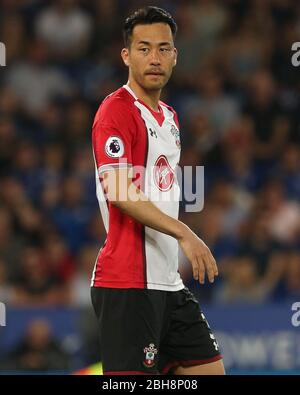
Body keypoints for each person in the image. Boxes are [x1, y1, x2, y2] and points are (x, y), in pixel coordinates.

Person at [90, 6, 225, 375]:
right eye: (144, 48)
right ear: (126, 55)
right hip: (128, 284)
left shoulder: (170, 117)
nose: (154, 58)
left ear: (175, 56)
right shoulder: (115, 111)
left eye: (163, 48)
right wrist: (185, 232)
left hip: (169, 283)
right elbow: (119, 190)